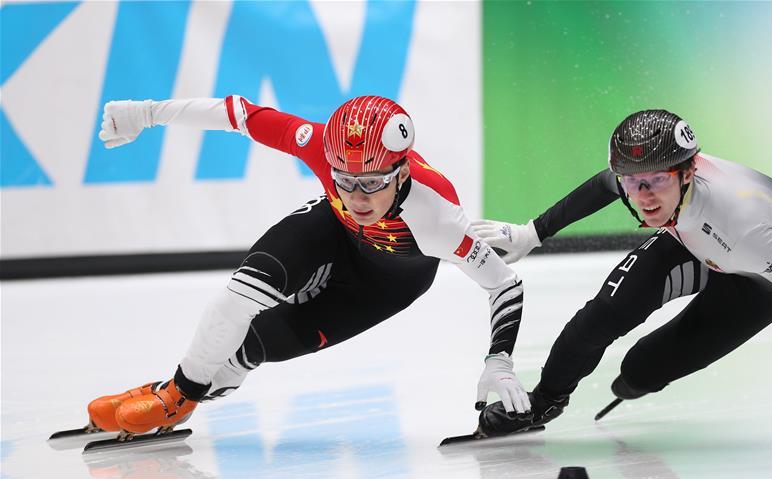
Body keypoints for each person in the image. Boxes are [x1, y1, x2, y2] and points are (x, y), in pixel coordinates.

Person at [86, 94, 531, 438]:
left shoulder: (437, 216)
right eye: (345, 180)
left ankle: (183, 392)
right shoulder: (320, 145)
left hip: (388, 282)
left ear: (401, 173)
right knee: (239, 296)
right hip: (332, 230)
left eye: (372, 183)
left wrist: (500, 359)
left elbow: (504, 284)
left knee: (262, 345)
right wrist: (146, 113)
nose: (357, 197)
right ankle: (178, 394)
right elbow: (239, 114)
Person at [472, 109, 772, 465]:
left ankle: (635, 382)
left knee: (641, 369)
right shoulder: (654, 173)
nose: (644, 196)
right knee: (601, 316)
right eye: (632, 184)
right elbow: (603, 185)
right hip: (691, 240)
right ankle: (544, 402)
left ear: (689, 172)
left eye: (655, 182)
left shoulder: (744, 227)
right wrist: (532, 233)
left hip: (760, 283)